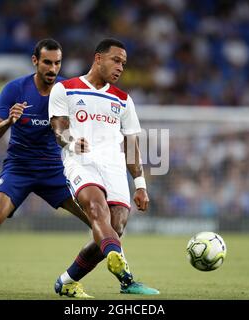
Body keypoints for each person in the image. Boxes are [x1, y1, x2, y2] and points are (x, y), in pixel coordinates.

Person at [0, 39, 93, 297]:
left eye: (57, 63)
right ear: (35, 61)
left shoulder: (67, 91)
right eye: (47, 62)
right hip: (19, 167)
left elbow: (73, 131)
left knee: (99, 219)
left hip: (53, 170)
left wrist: (76, 141)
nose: (52, 68)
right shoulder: (15, 89)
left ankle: (123, 279)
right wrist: (8, 122)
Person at [49, 38, 159, 296]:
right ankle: (125, 275)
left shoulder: (123, 100)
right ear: (98, 58)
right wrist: (72, 141)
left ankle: (66, 281)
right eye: (116, 60)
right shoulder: (65, 89)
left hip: (114, 168)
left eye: (124, 63)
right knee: (97, 211)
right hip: (80, 162)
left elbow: (132, 145)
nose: (121, 67)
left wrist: (140, 185)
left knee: (115, 227)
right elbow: (58, 130)